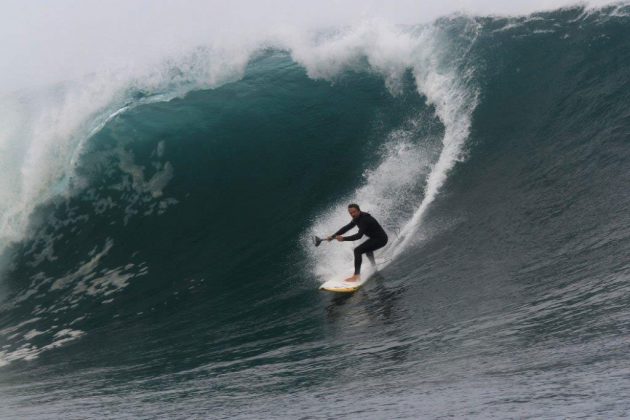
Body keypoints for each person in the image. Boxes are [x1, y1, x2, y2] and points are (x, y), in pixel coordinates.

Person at [327, 203, 388, 282]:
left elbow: (359, 236)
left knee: (357, 250)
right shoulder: (357, 218)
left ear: (359, 211)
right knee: (367, 250)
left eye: (354, 212)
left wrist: (343, 239)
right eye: (350, 213)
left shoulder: (364, 219)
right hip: (374, 238)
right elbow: (346, 228)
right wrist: (333, 236)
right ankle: (374, 267)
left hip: (381, 239)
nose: (352, 214)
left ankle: (356, 276)